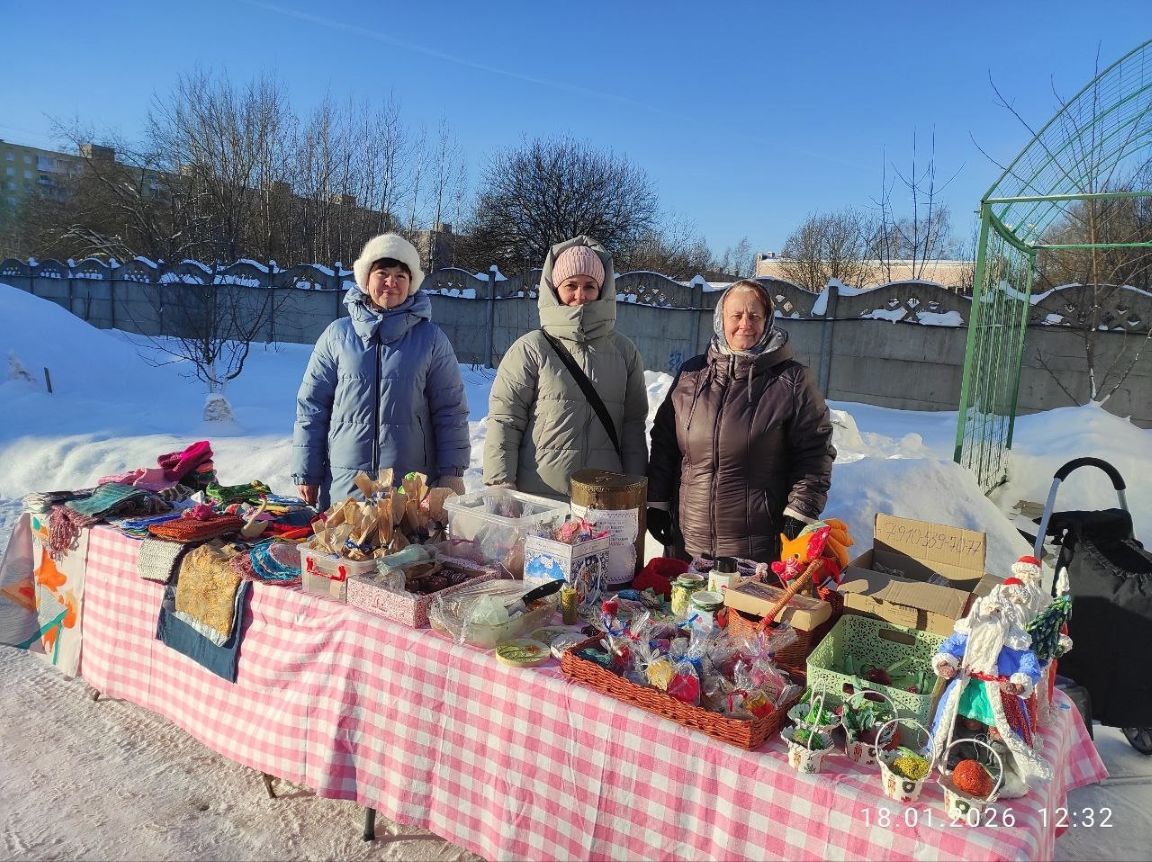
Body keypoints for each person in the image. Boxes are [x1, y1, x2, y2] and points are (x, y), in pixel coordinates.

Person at [646, 279, 835, 561]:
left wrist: (800, 511)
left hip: (754, 547)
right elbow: (665, 442)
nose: (745, 323)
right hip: (688, 539)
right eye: (736, 315)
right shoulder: (691, 374)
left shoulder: (792, 380)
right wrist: (658, 503)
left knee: (740, 607)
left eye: (754, 315)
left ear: (767, 321)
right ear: (720, 320)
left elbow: (815, 452)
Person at [292, 233, 470, 509]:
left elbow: (451, 410)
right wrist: (307, 471)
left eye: (401, 275)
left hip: (410, 487)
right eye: (382, 273)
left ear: (411, 284)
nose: (391, 282)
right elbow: (312, 407)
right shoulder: (337, 335)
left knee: (409, 552)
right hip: (346, 485)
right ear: (366, 279)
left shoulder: (431, 339)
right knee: (343, 550)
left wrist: (452, 473)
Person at [483, 235, 648, 499]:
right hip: (539, 501)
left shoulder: (624, 352)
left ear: (603, 290)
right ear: (555, 288)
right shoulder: (532, 348)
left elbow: (633, 428)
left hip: (603, 501)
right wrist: (500, 484)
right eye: (570, 285)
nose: (580, 296)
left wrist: (635, 492)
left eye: (590, 286)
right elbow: (506, 420)